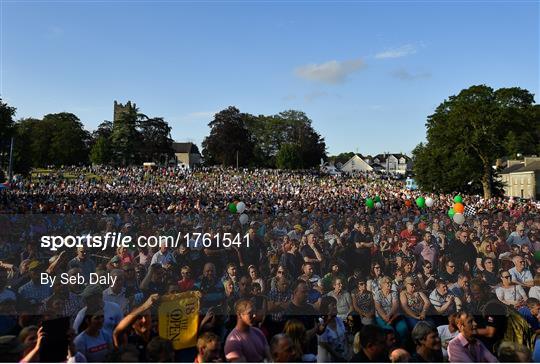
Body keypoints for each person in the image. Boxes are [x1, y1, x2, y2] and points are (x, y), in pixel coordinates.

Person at [317, 296, 349, 362]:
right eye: (332, 305)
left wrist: (346, 353)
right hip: (328, 359)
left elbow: (345, 338)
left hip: (343, 356)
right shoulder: (321, 322)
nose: (335, 307)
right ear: (326, 307)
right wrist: (339, 357)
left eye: (335, 304)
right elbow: (324, 344)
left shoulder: (339, 320)